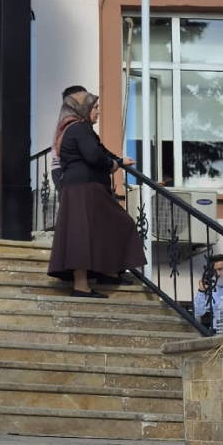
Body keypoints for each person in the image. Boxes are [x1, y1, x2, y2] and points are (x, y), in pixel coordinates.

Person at [46, 91, 145, 298]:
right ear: (83, 109)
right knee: (87, 233)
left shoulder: (77, 129)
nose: (98, 111)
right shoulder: (80, 128)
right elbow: (93, 156)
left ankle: (107, 272)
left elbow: (99, 151)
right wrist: (113, 165)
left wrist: (118, 161)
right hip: (84, 188)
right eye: (95, 107)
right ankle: (82, 286)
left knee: (104, 227)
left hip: (83, 188)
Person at [194, 255, 223, 328]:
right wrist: (201, 291)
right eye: (214, 271)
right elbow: (198, 312)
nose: (217, 273)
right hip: (217, 331)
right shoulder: (212, 287)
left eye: (220, 269)